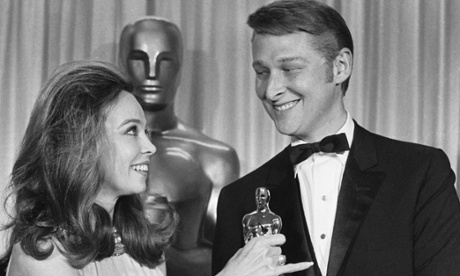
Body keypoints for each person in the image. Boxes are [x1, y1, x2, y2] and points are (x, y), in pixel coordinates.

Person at [212, 1, 460, 276]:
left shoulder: (420, 173)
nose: (271, 90)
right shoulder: (238, 199)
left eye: (290, 69)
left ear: (340, 66)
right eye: (262, 73)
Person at [0, 61, 312, 276]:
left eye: (146, 131)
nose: (149, 147)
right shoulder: (43, 253)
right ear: (83, 141)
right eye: (131, 130)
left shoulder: (142, 243)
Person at [119, 17, 240, 276]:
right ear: (122, 63)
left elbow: (224, 258)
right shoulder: (93, 148)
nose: (152, 72)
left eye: (165, 60)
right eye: (139, 58)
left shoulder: (215, 158)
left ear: (180, 67)